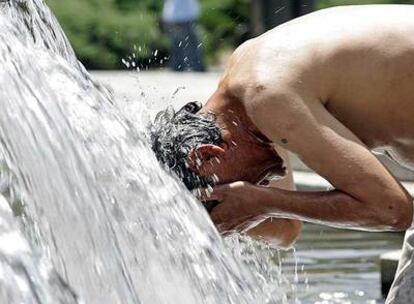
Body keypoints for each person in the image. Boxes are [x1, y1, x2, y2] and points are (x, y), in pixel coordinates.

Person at [151, 5, 414, 303]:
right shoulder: (245, 98)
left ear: (207, 155)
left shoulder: (266, 93)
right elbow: (286, 230)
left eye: (222, 190)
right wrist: (218, 218)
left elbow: (393, 210)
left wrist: (259, 201)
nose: (261, 183)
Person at [161, 0, 205, 72]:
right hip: (180, 16)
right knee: (185, 43)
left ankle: (180, 66)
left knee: (183, 43)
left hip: (178, 16)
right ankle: (193, 66)